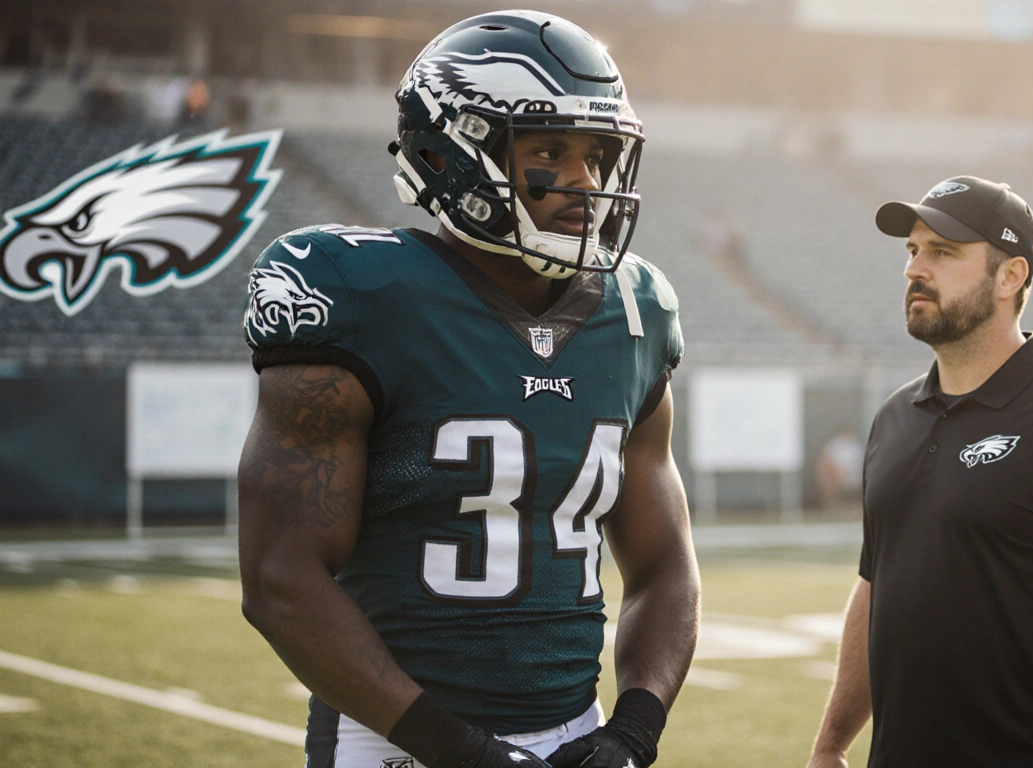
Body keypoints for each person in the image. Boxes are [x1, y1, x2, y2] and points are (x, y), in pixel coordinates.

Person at [237, 12, 699, 768]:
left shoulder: (637, 311)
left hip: (577, 736)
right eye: (550, 151)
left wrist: (632, 732)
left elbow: (664, 565)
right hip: (397, 738)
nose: (586, 184)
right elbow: (280, 579)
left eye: (598, 154)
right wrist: (459, 752)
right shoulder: (360, 293)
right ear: (446, 153)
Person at [807, 177, 1033, 768]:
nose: (914, 270)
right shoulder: (894, 419)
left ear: (1010, 277)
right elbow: (876, 586)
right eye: (912, 250)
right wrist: (830, 744)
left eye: (943, 251)